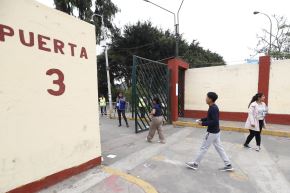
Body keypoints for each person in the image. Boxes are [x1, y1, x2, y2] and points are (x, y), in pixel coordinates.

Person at [186, 92, 233, 171]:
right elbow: (209, 118)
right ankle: (228, 164)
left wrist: (202, 123)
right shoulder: (212, 107)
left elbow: (214, 121)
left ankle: (195, 164)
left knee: (203, 148)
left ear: (210, 99)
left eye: (207, 97)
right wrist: (202, 119)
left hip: (212, 132)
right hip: (216, 132)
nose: (205, 99)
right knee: (219, 148)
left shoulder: (213, 108)